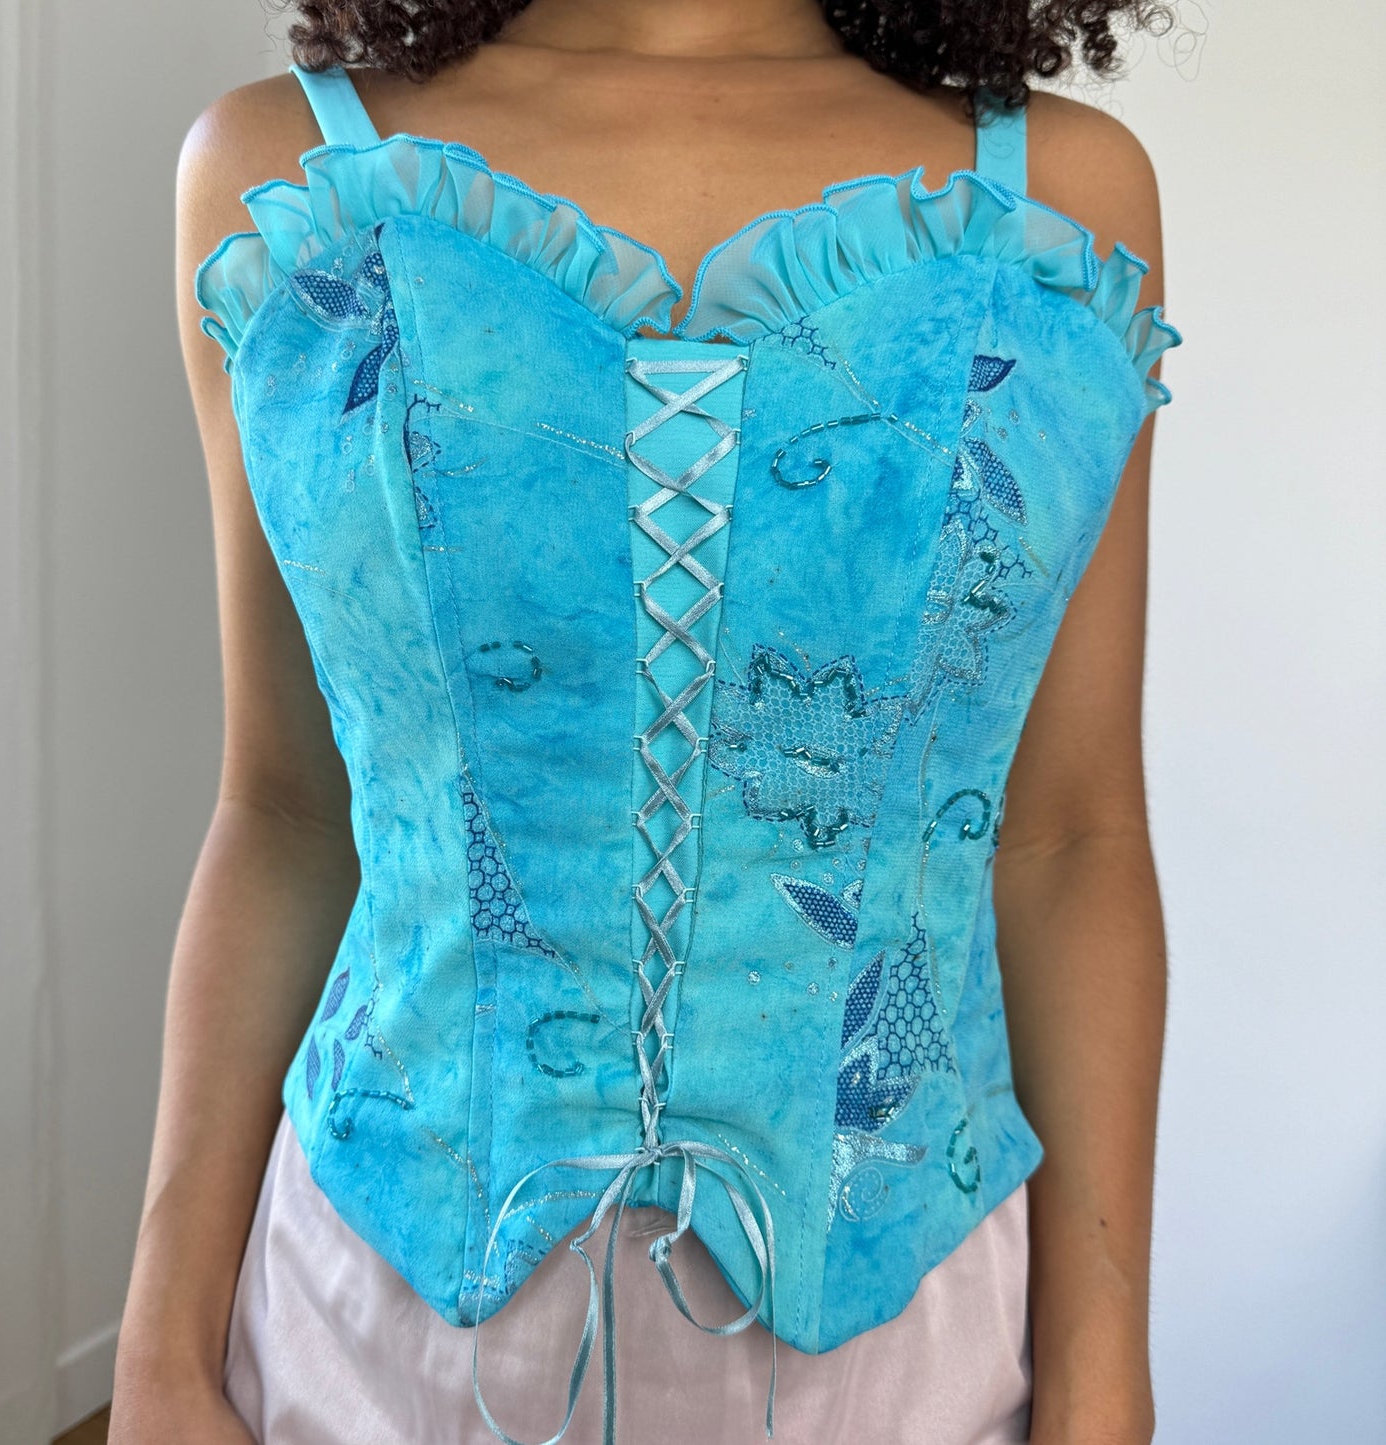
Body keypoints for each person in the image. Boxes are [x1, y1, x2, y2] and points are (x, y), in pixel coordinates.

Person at [111, 1, 1177, 1441]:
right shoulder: (278, 175)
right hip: (368, 1339)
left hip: (902, 1351)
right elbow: (284, 812)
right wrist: (158, 1352)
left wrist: (1104, 1384)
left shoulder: (1059, 200)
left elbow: (1068, 839)